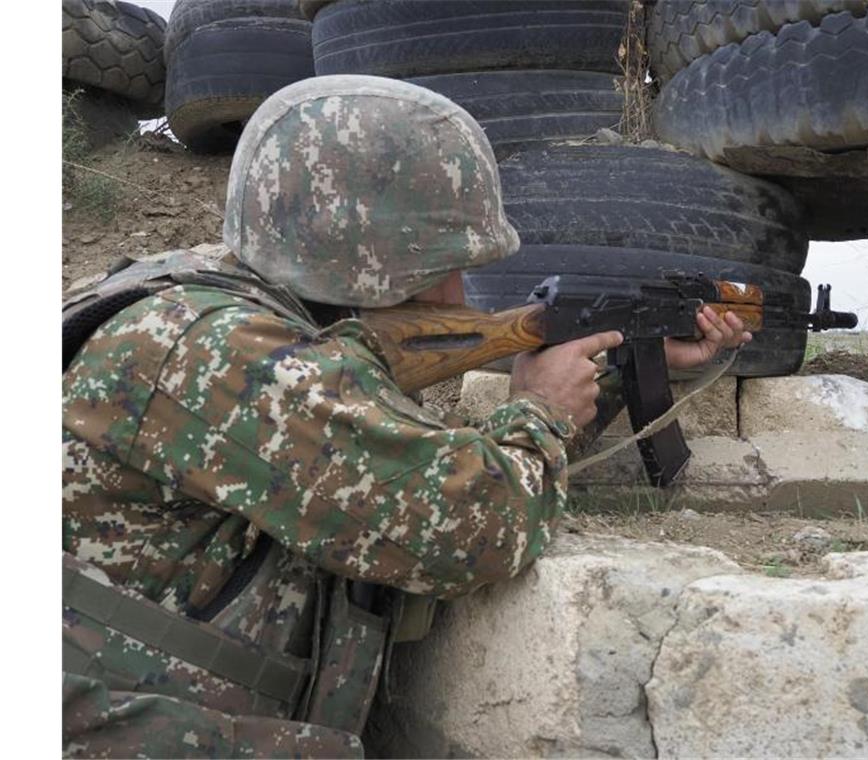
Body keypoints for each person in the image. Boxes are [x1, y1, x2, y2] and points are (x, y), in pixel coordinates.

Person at [62, 75, 750, 757]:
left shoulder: (202, 299)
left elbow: (382, 465)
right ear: (374, 261)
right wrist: (539, 410)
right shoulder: (226, 352)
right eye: (448, 264)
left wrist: (628, 364)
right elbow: (468, 527)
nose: (460, 292)